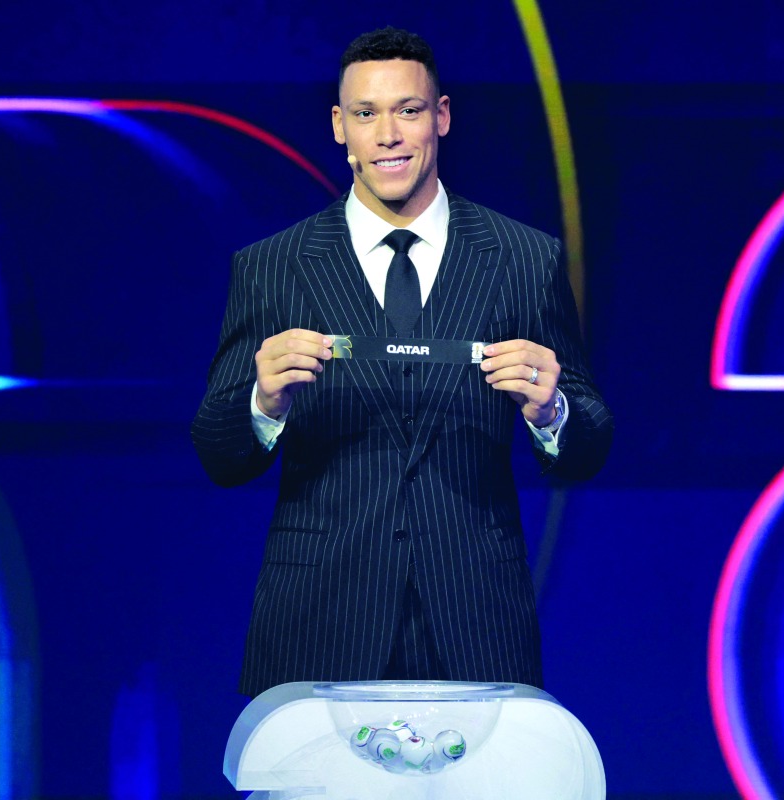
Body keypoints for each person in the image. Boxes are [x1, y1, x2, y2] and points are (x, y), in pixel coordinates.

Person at [192, 26, 612, 698]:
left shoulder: (524, 260)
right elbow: (218, 455)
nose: (387, 135)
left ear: (440, 116)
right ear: (340, 126)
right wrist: (262, 405)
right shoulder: (272, 267)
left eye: (407, 110)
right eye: (366, 113)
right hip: (317, 623)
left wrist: (552, 411)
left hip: (478, 623)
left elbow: (588, 447)